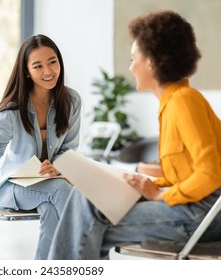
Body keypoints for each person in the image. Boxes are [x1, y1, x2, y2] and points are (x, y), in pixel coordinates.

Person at [47, 10, 221, 259]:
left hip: (202, 213)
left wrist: (161, 194)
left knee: (84, 224)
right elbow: (186, 174)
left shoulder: (184, 102)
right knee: (83, 197)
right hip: (193, 207)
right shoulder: (173, 102)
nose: (130, 68)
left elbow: (211, 174)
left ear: (150, 62)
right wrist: (145, 184)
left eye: (133, 59)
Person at [0, 34, 82, 259]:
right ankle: (90, 252)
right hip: (13, 186)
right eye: (38, 66)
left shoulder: (71, 101)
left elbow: (70, 147)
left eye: (52, 62)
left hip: (50, 185)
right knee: (62, 190)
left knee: (51, 210)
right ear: (27, 71)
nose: (48, 71)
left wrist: (57, 167)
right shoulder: (12, 110)